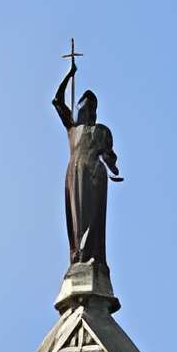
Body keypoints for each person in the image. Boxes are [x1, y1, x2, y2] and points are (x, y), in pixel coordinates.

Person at [52, 66, 122, 268]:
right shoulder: (72, 128)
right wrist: (69, 74)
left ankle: (93, 257)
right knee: (77, 219)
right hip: (76, 174)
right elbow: (57, 100)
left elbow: (109, 157)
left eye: (92, 106)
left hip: (95, 175)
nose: (88, 109)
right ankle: (79, 256)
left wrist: (113, 171)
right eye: (85, 104)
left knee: (94, 218)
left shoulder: (101, 131)